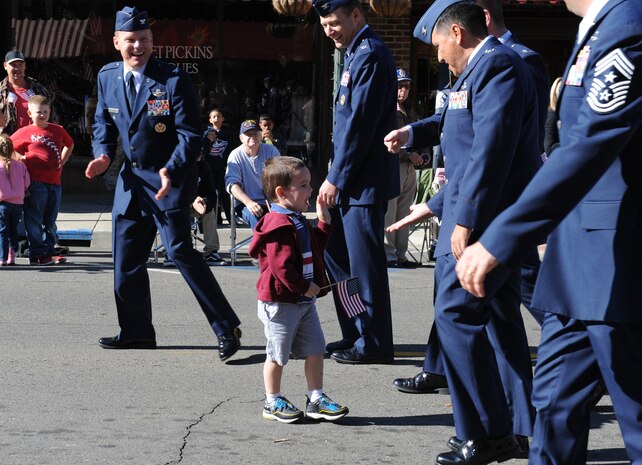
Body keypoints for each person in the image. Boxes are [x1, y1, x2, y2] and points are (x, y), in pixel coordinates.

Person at [456, 0, 642, 463]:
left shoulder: (629, 23)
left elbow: (592, 142)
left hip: (616, 262)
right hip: (574, 267)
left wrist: (503, 235)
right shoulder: (597, 26)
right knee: (554, 410)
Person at [384, 0, 541, 463]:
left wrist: (465, 217)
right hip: (481, 213)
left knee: (455, 317)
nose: (437, 57)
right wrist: (413, 133)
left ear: (456, 32)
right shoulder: (479, 70)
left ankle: (490, 433)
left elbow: (491, 150)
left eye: (437, 46)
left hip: (483, 218)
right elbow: (459, 125)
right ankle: (518, 428)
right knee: (501, 321)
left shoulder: (500, 66)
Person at [84, 6, 242, 360]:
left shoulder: (172, 80)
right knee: (126, 260)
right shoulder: (108, 77)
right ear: (116, 42)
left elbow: (190, 134)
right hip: (131, 182)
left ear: (153, 42)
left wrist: (171, 168)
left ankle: (226, 326)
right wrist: (103, 154)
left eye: (143, 40)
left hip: (169, 179)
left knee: (180, 252)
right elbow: (102, 124)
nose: (137, 48)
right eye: (130, 41)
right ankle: (136, 331)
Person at [313, 0, 399, 365]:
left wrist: (335, 178)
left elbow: (360, 127)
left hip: (363, 184)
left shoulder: (371, 54)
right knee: (336, 258)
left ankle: (375, 343)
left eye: (335, 22)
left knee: (365, 268)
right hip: (351, 181)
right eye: (325, 25)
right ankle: (355, 331)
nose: (330, 30)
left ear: (357, 16)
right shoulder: (353, 53)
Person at [249, 156, 349, 424]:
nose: (310, 191)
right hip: (281, 303)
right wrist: (305, 287)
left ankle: (316, 398)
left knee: (316, 348)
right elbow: (281, 268)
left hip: (303, 301)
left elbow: (314, 247)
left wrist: (323, 222)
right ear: (281, 192)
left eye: (309, 184)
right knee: (277, 354)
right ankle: (272, 401)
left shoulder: (296, 219)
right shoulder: (277, 224)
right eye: (303, 185)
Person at [11, 95, 73, 266]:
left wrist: (63, 160)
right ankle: (37, 254)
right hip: (36, 183)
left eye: (46, 112)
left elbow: (70, 143)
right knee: (34, 219)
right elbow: (7, 147)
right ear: (30, 113)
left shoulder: (58, 130)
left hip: (55, 182)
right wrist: (20, 159)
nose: (43, 115)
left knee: (50, 220)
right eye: (39, 112)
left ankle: (49, 251)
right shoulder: (24, 132)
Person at [384, 69, 427, 269]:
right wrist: (408, 153)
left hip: (409, 168)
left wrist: (421, 155)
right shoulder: (387, 111)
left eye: (407, 86)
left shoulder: (409, 111)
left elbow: (417, 136)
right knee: (390, 212)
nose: (403, 90)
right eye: (399, 86)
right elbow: (386, 142)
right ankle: (389, 254)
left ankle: (400, 254)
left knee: (404, 213)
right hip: (393, 166)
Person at [225, 119, 279, 230]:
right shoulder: (235, 155)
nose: (253, 136)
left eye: (255, 133)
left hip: (271, 201)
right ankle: (266, 246)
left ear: (260, 135)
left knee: (287, 218)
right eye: (248, 134)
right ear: (241, 138)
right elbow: (232, 185)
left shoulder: (271, 151)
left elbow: (280, 177)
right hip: (245, 203)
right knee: (257, 220)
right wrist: (249, 202)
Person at [199, 108, 232, 265]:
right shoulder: (205, 135)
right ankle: (176, 249)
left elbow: (210, 193)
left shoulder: (226, 134)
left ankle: (211, 251)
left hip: (219, 170)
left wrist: (204, 201)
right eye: (213, 116)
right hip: (184, 199)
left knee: (215, 201)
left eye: (219, 116)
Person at [1, 51, 51, 135]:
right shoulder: (1, 92)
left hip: (36, 142)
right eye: (13, 65)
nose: (17, 68)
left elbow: (51, 116)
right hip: (9, 144)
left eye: (20, 64)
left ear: (25, 66)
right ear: (5, 66)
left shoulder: (38, 89)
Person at [0, 134, 30, 266]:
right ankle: (12, 256)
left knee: (2, 231)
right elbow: (27, 183)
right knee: (13, 230)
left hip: (2, 203)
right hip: (18, 203)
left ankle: (2, 258)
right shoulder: (20, 165)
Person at [543, 76, 563, 156]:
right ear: (554, 93)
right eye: (560, 90)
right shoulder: (551, 115)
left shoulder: (563, 114)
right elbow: (548, 149)